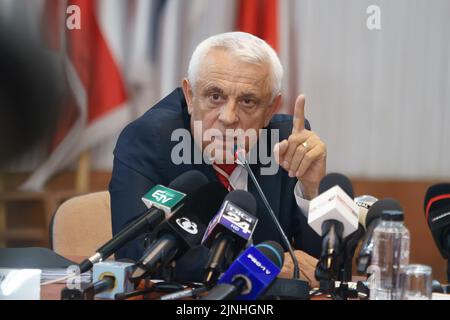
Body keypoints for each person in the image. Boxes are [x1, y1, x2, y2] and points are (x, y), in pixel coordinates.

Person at [109, 32, 327, 285]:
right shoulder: (148, 140)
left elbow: (321, 266)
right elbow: (135, 253)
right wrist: (258, 263)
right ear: (190, 96)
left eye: (247, 101)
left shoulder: (286, 142)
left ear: (270, 109)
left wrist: (313, 191)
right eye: (215, 96)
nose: (228, 117)